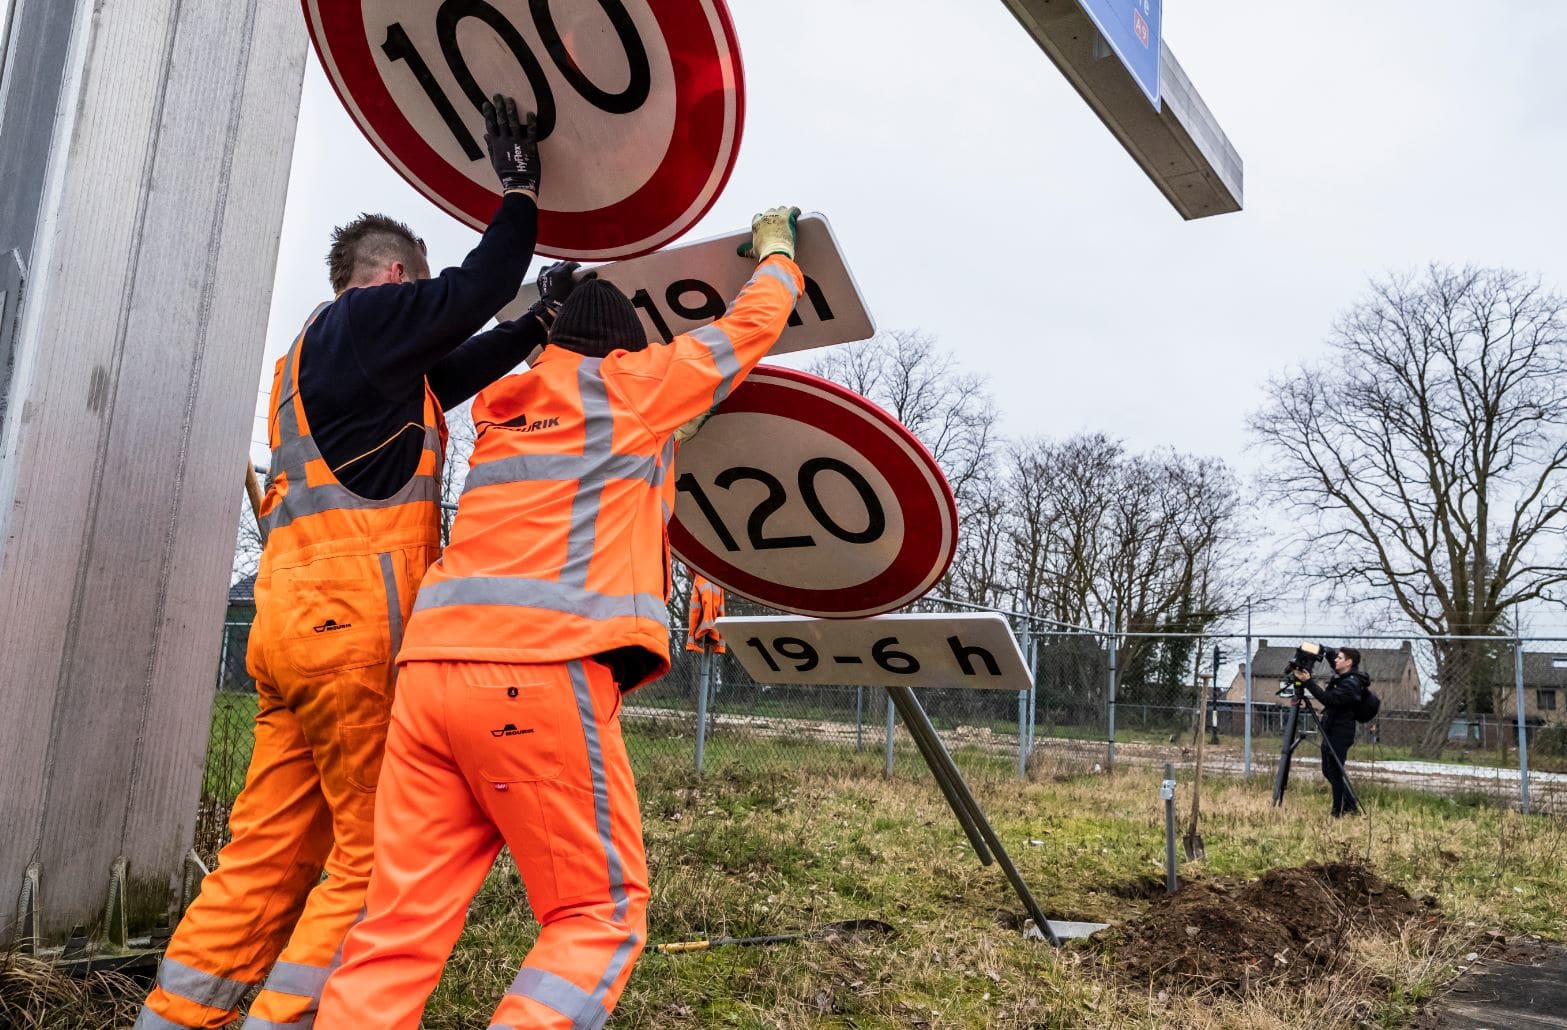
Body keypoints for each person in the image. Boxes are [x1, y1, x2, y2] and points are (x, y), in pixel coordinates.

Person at [137, 95, 575, 1030]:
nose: (425, 313)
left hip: (288, 632)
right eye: (415, 289)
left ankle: (173, 1019)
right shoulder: (371, 318)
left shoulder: (319, 363)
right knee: (375, 851)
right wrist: (519, 190)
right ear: (389, 275)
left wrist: (538, 328)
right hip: (353, 633)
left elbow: (458, 365)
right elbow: (472, 292)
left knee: (267, 854)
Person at [314, 207, 806, 1030]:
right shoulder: (636, 390)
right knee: (597, 913)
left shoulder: (503, 414)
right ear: (626, 352)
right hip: (536, 676)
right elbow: (749, 326)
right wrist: (780, 252)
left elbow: (591, 453)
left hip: (429, 680)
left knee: (395, 927)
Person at [1291, 646, 1368, 817]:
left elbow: (1329, 699)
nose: (1336, 660)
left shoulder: (1351, 684)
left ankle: (1339, 811)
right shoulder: (1345, 675)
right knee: (1328, 771)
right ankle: (1349, 806)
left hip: (1340, 732)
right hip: (1331, 728)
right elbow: (1333, 658)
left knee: (1335, 771)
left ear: (1348, 662)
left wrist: (1308, 682)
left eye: (1340, 658)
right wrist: (1322, 649)